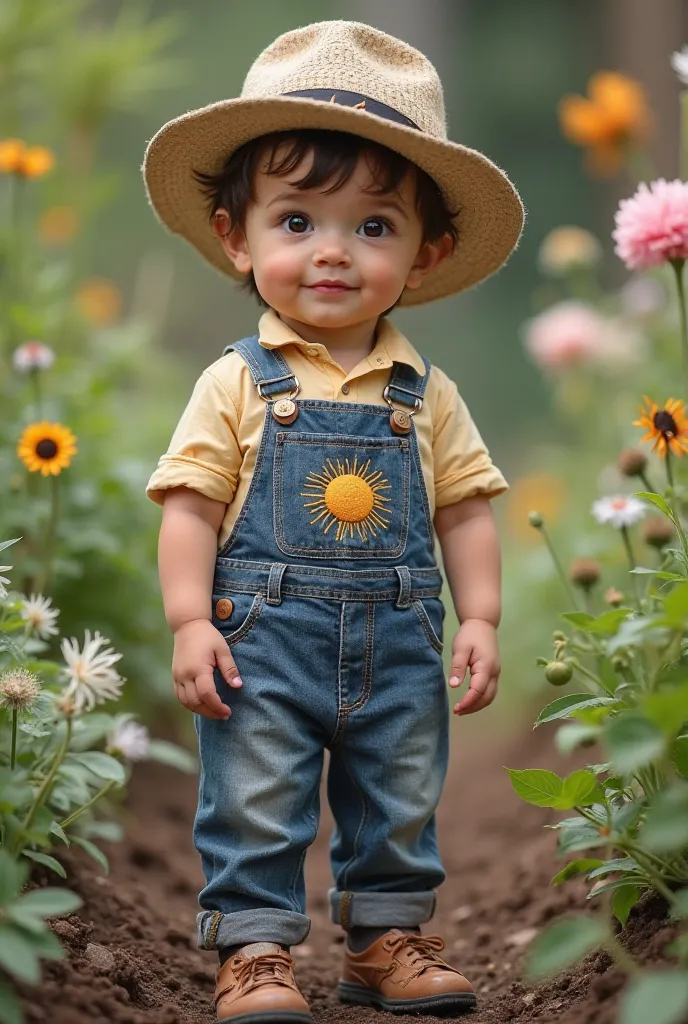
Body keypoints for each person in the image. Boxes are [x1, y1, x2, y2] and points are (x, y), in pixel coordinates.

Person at [143, 19, 523, 1024]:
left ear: (425, 249)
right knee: (256, 793)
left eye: (373, 227)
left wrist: (479, 613)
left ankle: (382, 939)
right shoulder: (236, 380)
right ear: (239, 235)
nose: (332, 254)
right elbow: (190, 505)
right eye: (298, 221)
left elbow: (464, 506)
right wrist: (190, 619)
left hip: (398, 637)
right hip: (260, 637)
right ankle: (257, 948)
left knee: (397, 791)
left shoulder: (423, 391)